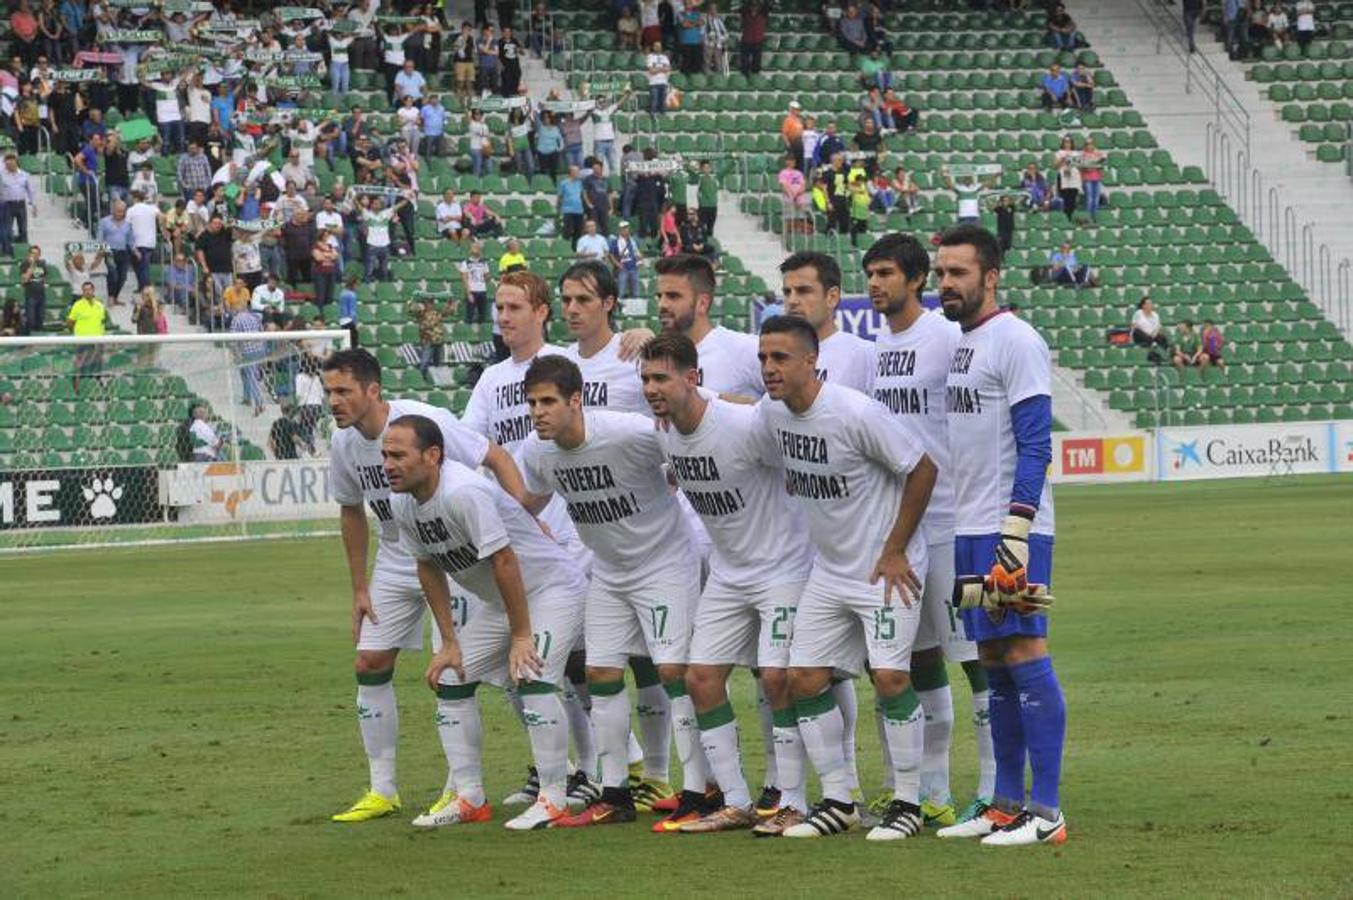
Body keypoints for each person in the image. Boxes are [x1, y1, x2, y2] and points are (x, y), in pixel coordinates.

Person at [322, 347, 532, 826]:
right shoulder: (344, 445)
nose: (333, 401)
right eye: (328, 391)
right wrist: (359, 587)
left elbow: (491, 454)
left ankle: (462, 788)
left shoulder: (424, 421)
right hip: (398, 558)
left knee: (457, 670)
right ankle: (382, 790)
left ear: (372, 391)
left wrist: (525, 511)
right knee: (369, 662)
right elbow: (351, 510)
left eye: (343, 391)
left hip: (450, 556)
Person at [754, 315, 937, 840]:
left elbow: (922, 469)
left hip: (885, 570)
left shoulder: (855, 412)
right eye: (764, 358)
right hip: (830, 570)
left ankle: (908, 803)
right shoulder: (774, 415)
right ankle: (839, 800)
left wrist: (897, 547)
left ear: (812, 361)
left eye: (781, 357)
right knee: (802, 678)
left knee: (891, 678)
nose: (769, 368)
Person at [632, 331, 813, 834]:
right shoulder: (664, 432)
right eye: (646, 378)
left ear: (693, 379)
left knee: (777, 680)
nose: (651, 388)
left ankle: (793, 801)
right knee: (700, 679)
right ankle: (733, 801)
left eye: (661, 378)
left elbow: (797, 458)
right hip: (731, 575)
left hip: (782, 566)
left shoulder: (741, 423)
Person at [516, 354, 704, 829]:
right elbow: (532, 496)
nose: (538, 412)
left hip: (664, 562)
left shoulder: (626, 431)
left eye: (548, 402)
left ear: (575, 400)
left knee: (672, 671)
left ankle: (698, 792)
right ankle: (615, 793)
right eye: (532, 403)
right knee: (600, 672)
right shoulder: (538, 453)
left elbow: (684, 445)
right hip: (610, 572)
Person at [931, 224, 1066, 847]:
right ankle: (1006, 803)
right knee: (990, 660)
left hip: (1014, 531)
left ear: (991, 277)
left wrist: (1017, 529)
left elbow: (1037, 442)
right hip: (970, 528)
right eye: (940, 273)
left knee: (1025, 653)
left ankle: (1047, 812)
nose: (945, 284)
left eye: (958, 273)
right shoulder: (965, 343)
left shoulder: (1016, 340)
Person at [863, 232, 997, 828]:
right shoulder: (874, 348)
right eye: (870, 273)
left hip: (948, 520)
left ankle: (994, 789)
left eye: (887, 272)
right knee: (917, 661)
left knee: (976, 659)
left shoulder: (944, 338)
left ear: (915, 279)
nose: (876, 283)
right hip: (899, 529)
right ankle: (935, 790)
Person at [408, 293, 457, 383]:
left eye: (431, 302)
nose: (431, 304)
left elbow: (450, 311)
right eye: (428, 302)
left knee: (438, 364)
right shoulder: (421, 313)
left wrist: (451, 302)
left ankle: (438, 381)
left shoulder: (437, 313)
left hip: (439, 341)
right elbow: (411, 309)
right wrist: (413, 299)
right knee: (424, 362)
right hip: (428, 342)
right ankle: (421, 380)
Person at [0, 152, 36, 257]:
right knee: (7, 230)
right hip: (7, 205)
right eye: (7, 165)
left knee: (23, 229)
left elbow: (30, 190)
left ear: (16, 163)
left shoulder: (24, 175)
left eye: (11, 164)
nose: (9, 166)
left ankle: (24, 252)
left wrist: (33, 204)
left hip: (20, 204)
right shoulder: (2, 175)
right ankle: (7, 252)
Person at [458, 241, 492, 325]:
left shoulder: (484, 262)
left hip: (482, 290)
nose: (476, 250)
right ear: (470, 250)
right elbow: (464, 279)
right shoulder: (465, 263)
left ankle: (482, 332)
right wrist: (468, 293)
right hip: (472, 290)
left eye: (478, 248)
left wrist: (487, 276)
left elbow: (487, 277)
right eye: (474, 248)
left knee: (482, 314)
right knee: (470, 314)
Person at [609, 221, 643, 301]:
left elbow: (637, 252)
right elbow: (610, 254)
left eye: (627, 228)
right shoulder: (615, 241)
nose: (626, 230)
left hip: (633, 267)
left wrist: (640, 260)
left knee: (636, 292)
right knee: (620, 291)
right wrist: (617, 264)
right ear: (620, 230)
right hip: (623, 268)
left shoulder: (633, 241)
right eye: (624, 229)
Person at [1053, 136, 1082, 224]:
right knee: (1065, 198)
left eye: (1069, 142)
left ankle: (1071, 217)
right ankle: (1066, 217)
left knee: (1072, 199)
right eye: (1065, 142)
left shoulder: (1076, 153)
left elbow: (1079, 165)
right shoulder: (1059, 153)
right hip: (1063, 176)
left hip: (1073, 177)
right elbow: (1055, 166)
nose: (1067, 144)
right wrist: (1062, 160)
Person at [20, 245, 47, 335]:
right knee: (31, 320)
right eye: (33, 253)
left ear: (40, 254)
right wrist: (32, 265)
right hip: (31, 295)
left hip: (41, 295)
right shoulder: (25, 264)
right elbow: (24, 280)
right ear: (29, 254)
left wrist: (42, 284)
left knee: (40, 319)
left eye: (37, 253)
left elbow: (44, 277)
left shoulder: (42, 264)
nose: (35, 255)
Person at [1131, 296, 1169, 361]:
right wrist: (1147, 334)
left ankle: (1162, 355)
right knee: (1137, 331)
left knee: (1162, 338)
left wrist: (1153, 334)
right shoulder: (1138, 313)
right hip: (1140, 336)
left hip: (1151, 336)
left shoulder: (1155, 315)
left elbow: (1157, 327)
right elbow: (1134, 326)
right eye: (1148, 304)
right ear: (1143, 306)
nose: (1151, 305)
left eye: (1151, 303)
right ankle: (1153, 344)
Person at [582, 158, 612, 236]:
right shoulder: (588, 179)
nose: (595, 170)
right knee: (595, 226)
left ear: (601, 168)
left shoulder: (606, 180)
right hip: (594, 207)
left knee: (605, 226)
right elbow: (584, 192)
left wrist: (611, 207)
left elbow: (609, 194)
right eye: (594, 168)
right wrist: (588, 203)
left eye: (597, 168)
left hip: (604, 206)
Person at [558, 165, 586, 244]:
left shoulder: (579, 183)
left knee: (578, 231)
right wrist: (559, 209)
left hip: (579, 210)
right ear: (571, 173)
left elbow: (582, 195)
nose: (578, 173)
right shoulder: (563, 183)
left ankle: (574, 248)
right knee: (567, 231)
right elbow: (560, 197)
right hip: (567, 210)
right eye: (576, 171)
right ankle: (565, 248)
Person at [646, 41, 671, 114]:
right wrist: (662, 68)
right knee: (654, 102)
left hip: (663, 82)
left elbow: (668, 69)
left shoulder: (665, 57)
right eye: (656, 46)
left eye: (659, 46)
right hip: (653, 83)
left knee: (663, 103)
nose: (658, 48)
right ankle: (652, 117)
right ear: (653, 47)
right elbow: (651, 71)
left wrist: (657, 69)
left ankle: (662, 118)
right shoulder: (650, 57)